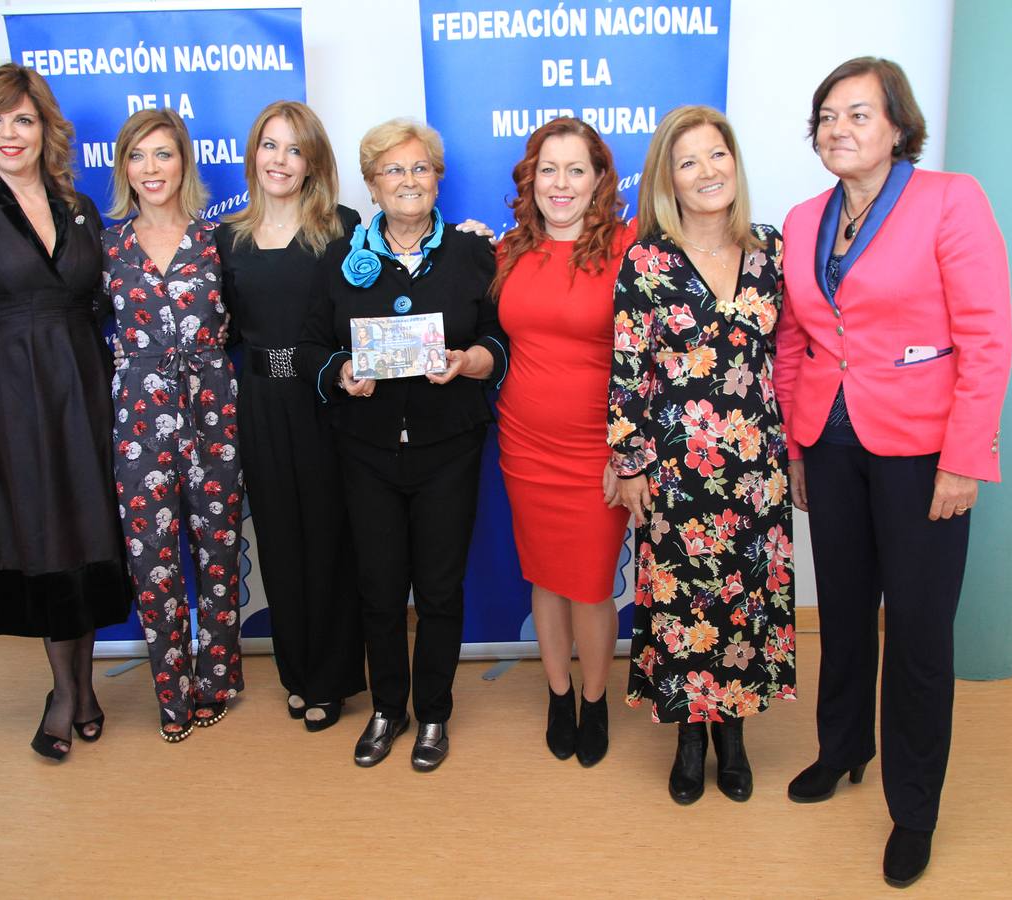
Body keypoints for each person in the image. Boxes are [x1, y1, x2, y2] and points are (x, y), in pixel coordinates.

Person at [774, 57, 1011, 888]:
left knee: (915, 634)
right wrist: (798, 446)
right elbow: (795, 342)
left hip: (923, 454)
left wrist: (964, 459)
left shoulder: (952, 201)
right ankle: (841, 749)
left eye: (858, 115)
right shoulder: (803, 220)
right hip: (831, 448)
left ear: (898, 127)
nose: (839, 129)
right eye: (828, 116)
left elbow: (986, 339)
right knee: (840, 612)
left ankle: (915, 809)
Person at [0, 64, 130, 761]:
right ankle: (66, 695)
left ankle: (86, 688)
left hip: (82, 386)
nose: (8, 133)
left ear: (45, 129)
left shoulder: (79, 210)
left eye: (22, 119)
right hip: (9, 399)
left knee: (85, 528)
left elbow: (102, 302)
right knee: (44, 535)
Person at [297, 118, 508, 772]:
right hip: (365, 450)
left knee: (441, 590)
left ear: (437, 178)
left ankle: (435, 713)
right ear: (372, 184)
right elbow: (309, 346)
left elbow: (502, 341)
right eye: (394, 170)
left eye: (420, 168)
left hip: (449, 447)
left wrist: (473, 360)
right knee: (380, 589)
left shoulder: (476, 254)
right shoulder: (340, 257)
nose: (408, 180)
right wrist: (339, 373)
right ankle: (390, 707)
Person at [609, 106, 796, 804]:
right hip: (677, 472)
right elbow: (629, 370)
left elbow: (793, 356)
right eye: (689, 162)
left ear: (734, 162)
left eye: (716, 155)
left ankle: (734, 734)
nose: (707, 171)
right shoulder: (647, 261)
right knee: (685, 604)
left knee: (744, 601)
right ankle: (690, 734)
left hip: (756, 468)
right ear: (670, 181)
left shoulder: (771, 250)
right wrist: (629, 465)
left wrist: (798, 450)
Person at [217, 100, 366, 731]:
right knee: (277, 542)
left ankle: (332, 680)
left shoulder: (343, 227)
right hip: (258, 404)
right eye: (270, 146)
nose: (280, 160)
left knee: (330, 542)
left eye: (294, 149)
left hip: (325, 402)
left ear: (312, 162)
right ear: (254, 154)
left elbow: (372, 306)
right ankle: (297, 674)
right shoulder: (227, 236)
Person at [493, 117, 633, 767]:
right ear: (531, 178)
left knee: (590, 584)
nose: (561, 182)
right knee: (545, 579)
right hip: (522, 444)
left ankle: (596, 698)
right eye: (549, 168)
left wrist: (627, 455)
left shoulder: (631, 251)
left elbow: (651, 361)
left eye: (577, 169)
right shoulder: (507, 250)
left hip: (597, 453)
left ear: (600, 180)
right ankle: (557, 695)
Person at [103, 109, 244, 742]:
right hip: (139, 421)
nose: (152, 168)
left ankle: (216, 679)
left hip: (212, 415)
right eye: (139, 156)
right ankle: (172, 693)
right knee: (153, 561)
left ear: (183, 161)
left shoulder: (220, 241)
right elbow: (66, 323)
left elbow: (257, 323)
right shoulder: (105, 247)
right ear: (124, 168)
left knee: (216, 554)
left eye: (164, 154)